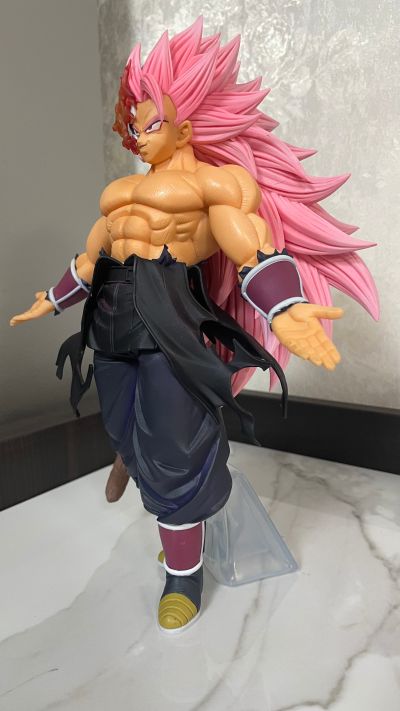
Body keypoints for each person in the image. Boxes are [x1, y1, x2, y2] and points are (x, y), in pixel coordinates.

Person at [10, 18, 379, 633]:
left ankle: (183, 569)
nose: (137, 135)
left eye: (150, 123)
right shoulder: (120, 191)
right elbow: (92, 258)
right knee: (123, 430)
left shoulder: (215, 185)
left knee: (174, 450)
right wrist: (52, 298)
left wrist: (284, 307)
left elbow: (250, 247)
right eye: (133, 125)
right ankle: (164, 499)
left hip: (169, 319)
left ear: (185, 126)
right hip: (111, 321)